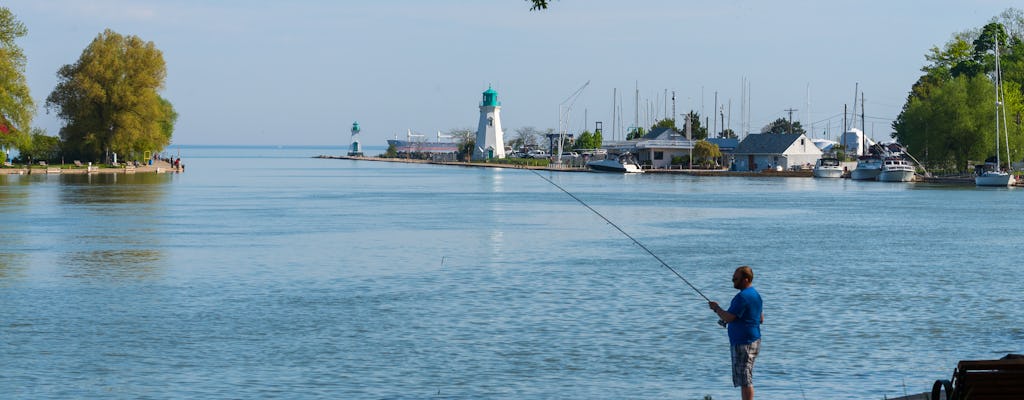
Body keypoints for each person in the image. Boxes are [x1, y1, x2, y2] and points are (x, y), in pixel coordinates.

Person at [709, 266, 763, 400]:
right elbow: (760, 318)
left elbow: (728, 317)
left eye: (736, 278)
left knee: (745, 380)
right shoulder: (755, 295)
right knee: (745, 377)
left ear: (746, 279)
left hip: (744, 343)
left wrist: (716, 308)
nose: (733, 280)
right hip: (753, 340)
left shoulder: (742, 297)